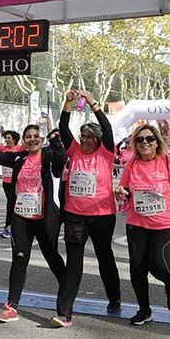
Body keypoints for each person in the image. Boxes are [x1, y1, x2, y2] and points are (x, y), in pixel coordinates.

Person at [0, 115, 67, 324]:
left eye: (36, 136)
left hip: (44, 218)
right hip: (21, 217)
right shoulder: (19, 158)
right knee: (19, 258)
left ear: (42, 139)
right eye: (28, 137)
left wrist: (52, 132)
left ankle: (66, 300)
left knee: (52, 258)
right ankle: (11, 307)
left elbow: (62, 156)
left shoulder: (49, 156)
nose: (32, 139)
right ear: (24, 141)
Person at [115, 124, 170, 326]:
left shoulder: (168, 162)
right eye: (140, 140)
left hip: (165, 223)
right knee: (137, 268)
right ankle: (144, 310)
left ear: (157, 142)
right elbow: (125, 189)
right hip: (137, 222)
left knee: (159, 265)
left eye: (149, 139)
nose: (145, 143)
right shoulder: (131, 163)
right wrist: (120, 191)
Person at [59, 90, 122, 318]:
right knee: (73, 263)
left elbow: (107, 129)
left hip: (102, 215)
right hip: (74, 216)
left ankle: (114, 298)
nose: (85, 140)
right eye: (83, 136)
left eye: (89, 137)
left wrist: (93, 103)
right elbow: (63, 128)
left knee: (104, 257)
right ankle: (64, 312)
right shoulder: (74, 151)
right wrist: (68, 103)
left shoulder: (106, 153)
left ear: (98, 140)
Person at [0, 130, 23, 239]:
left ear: (14, 140)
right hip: (6, 182)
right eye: (6, 138)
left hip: (16, 183)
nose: (7, 140)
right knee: (11, 204)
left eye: (9, 138)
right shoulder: (4, 149)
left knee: (12, 205)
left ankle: (9, 227)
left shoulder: (19, 149)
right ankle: (12, 227)